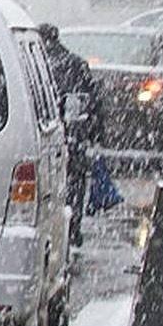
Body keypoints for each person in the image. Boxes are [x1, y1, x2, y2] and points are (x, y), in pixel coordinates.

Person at [39, 23, 102, 247]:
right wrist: (95, 135)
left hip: (46, 137)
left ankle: (54, 230)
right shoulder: (75, 63)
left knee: (50, 188)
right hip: (73, 136)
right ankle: (73, 227)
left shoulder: (38, 65)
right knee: (74, 183)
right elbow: (94, 102)